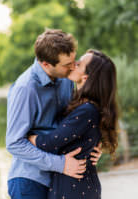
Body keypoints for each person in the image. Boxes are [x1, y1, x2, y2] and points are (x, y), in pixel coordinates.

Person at [6, 29, 102, 199]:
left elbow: (71, 125)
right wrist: (61, 164)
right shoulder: (25, 89)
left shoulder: (66, 78)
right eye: (67, 64)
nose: (73, 67)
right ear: (46, 64)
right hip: (30, 181)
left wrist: (92, 147)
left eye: (74, 61)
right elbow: (14, 143)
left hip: (60, 178)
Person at [28, 49, 118, 199]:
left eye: (78, 64)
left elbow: (51, 143)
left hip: (75, 189)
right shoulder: (84, 105)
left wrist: (26, 136)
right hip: (75, 185)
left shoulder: (87, 110)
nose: (73, 64)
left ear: (86, 77)